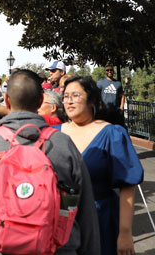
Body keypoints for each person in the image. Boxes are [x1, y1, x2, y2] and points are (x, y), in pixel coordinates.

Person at [0, 70, 100, 255]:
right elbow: (85, 211)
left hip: (0, 247)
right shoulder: (63, 144)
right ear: (41, 101)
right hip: (57, 248)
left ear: (7, 101)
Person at [59, 76, 143, 255]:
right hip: (60, 221)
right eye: (65, 96)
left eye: (75, 95)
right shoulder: (54, 134)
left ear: (92, 99)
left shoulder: (112, 134)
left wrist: (125, 233)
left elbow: (127, 185)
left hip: (101, 220)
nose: (69, 100)